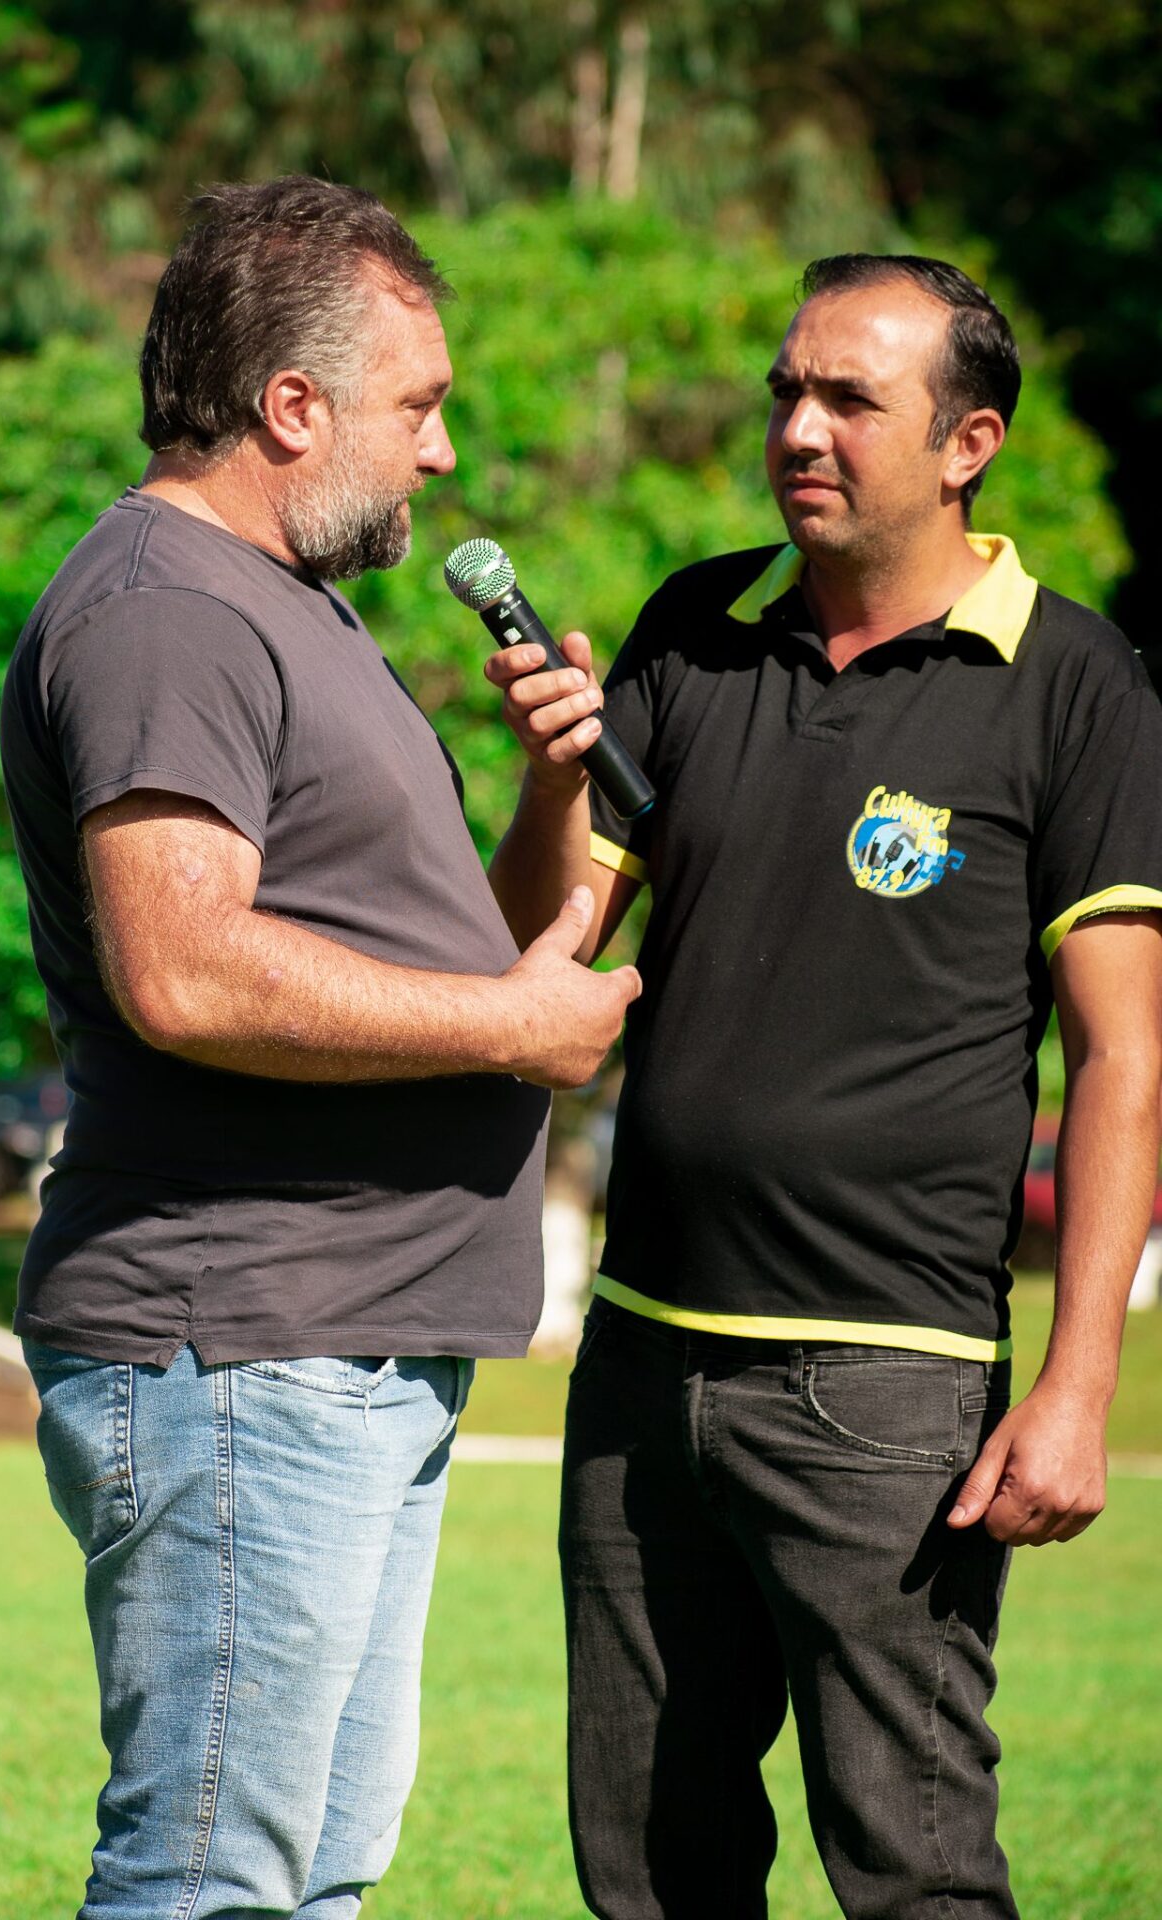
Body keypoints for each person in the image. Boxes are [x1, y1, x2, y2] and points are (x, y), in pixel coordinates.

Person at [485, 254, 1162, 1918]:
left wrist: (1077, 1386)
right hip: (640, 1365)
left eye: (850, 399)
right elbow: (534, 948)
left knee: (914, 1876)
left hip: (890, 1391)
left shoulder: (1077, 685)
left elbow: (1128, 1056)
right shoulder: (691, 628)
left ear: (968, 441)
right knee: (650, 1873)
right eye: (788, 390)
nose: (798, 427)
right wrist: (548, 776)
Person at [0, 177, 639, 1920]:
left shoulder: (297, 608)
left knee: (307, 1882)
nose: (440, 456)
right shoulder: (168, 610)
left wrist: (553, 785)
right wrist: (519, 1026)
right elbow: (187, 968)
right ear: (295, 407)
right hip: (243, 1346)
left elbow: (442, 954)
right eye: (418, 406)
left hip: (334, 1350)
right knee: (214, 1879)